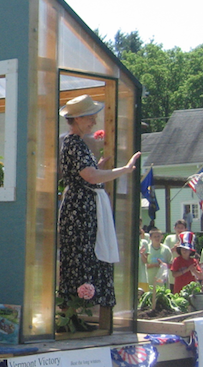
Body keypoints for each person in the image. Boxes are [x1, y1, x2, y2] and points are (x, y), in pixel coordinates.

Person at [57, 94, 140, 316]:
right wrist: (124, 170)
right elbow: (90, 176)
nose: (94, 121)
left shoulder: (75, 143)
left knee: (84, 256)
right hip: (80, 211)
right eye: (90, 117)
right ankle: (73, 315)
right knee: (82, 256)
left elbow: (87, 173)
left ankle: (76, 315)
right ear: (78, 119)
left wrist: (100, 165)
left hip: (82, 208)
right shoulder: (74, 143)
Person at [163, 219, 187, 290]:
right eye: (178, 227)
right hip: (172, 268)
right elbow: (164, 253)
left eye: (182, 227)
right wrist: (174, 249)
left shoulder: (187, 239)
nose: (180, 230)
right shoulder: (169, 238)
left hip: (183, 268)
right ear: (174, 228)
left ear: (185, 229)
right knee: (171, 287)